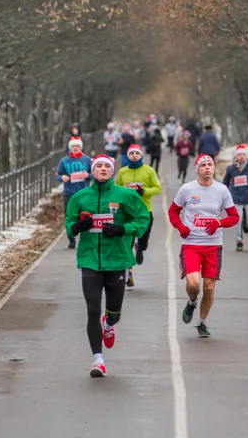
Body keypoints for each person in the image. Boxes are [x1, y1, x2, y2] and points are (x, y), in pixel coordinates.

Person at [65, 154, 151, 377]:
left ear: (112, 171)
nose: (102, 169)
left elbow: (143, 218)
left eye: (106, 166)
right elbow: (69, 222)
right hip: (89, 260)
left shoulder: (125, 195)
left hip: (117, 260)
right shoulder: (80, 197)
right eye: (98, 166)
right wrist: (77, 228)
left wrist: (122, 230)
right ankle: (98, 360)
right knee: (92, 309)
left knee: (113, 312)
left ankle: (110, 323)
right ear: (92, 171)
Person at [168, 154, 240, 337]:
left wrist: (219, 223)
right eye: (203, 165)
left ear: (214, 169)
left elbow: (234, 217)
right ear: (197, 170)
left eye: (210, 165)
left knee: (209, 287)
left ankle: (201, 322)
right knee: (193, 284)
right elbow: (173, 211)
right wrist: (181, 227)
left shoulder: (222, 190)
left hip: (213, 246)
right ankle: (192, 301)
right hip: (191, 244)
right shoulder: (187, 189)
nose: (207, 168)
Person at [115, 144, 162, 287]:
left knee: (144, 243)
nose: (134, 155)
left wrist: (145, 191)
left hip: (144, 213)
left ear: (141, 155)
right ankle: (128, 274)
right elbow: (116, 189)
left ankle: (140, 247)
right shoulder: (123, 172)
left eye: (137, 153)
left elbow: (158, 188)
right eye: (131, 153)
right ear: (128, 156)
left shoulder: (149, 171)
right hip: (127, 214)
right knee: (126, 245)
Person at [222, 144, 248, 251]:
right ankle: (239, 241)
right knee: (237, 220)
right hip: (236, 199)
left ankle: (247, 224)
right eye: (239, 154)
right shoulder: (231, 169)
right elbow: (225, 182)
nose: (241, 156)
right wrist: (226, 194)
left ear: (246, 156)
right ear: (236, 156)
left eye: (243, 154)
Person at [55, 136, 93, 248]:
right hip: (69, 192)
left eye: (77, 146)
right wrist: (63, 177)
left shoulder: (87, 160)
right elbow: (57, 175)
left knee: (87, 215)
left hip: (84, 192)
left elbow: (95, 174)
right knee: (69, 216)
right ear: (70, 148)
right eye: (73, 146)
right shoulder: (64, 161)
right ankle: (71, 239)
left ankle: (86, 237)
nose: (75, 148)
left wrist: (88, 175)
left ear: (81, 147)